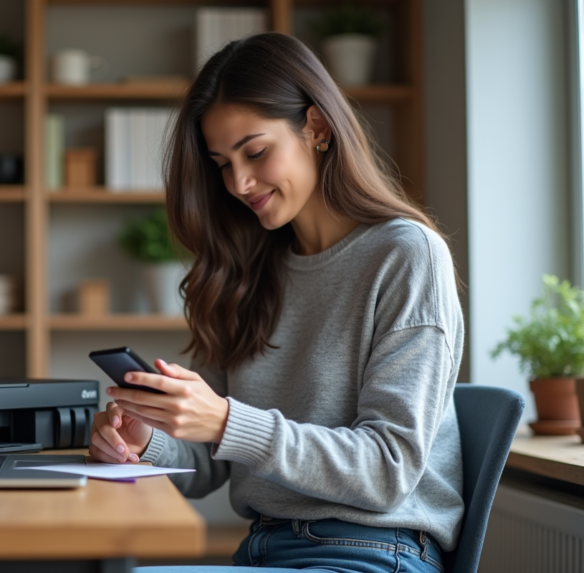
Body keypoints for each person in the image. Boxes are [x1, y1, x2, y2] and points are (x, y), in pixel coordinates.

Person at [89, 32, 463, 573]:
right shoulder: (247, 271)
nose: (238, 182)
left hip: (374, 551)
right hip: (264, 549)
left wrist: (226, 421)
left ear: (316, 127)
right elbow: (209, 463)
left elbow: (388, 470)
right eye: (222, 163)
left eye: (256, 152)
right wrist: (146, 442)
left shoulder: (405, 254)